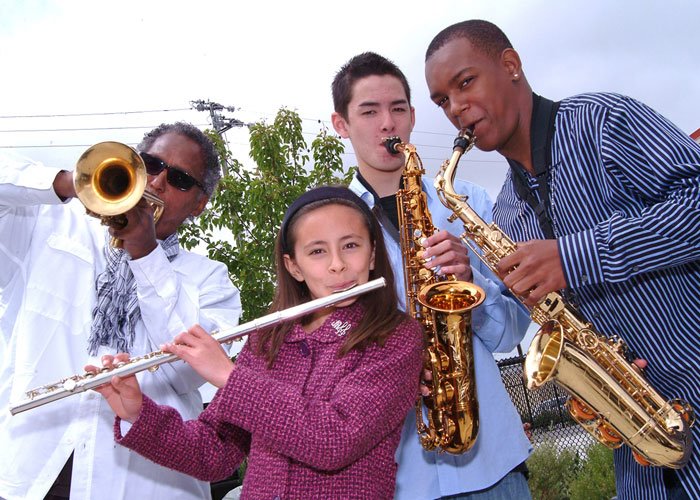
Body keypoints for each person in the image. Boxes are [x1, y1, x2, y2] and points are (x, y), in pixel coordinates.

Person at [424, 19, 700, 500]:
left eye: (464, 82)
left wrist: (574, 257)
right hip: (639, 439)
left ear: (510, 65)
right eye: (442, 101)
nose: (455, 109)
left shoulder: (603, 121)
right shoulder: (506, 210)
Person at [91, 186, 424, 499]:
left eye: (351, 245)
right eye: (317, 251)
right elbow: (213, 454)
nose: (337, 264)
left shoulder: (396, 337)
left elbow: (333, 440)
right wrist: (139, 413)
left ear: (371, 254)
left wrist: (229, 376)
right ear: (294, 266)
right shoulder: (268, 340)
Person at [0, 122, 242, 500]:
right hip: (29, 473)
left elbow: (185, 372)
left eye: (179, 178)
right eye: (151, 164)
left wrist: (146, 253)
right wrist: (73, 183)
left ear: (199, 204)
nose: (158, 182)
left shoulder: (211, 281)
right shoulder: (49, 225)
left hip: (140, 484)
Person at [331, 52, 532, 499]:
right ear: (340, 124)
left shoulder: (468, 200)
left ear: (413, 115)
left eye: (398, 108)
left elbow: (510, 332)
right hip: (398, 478)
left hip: (492, 463)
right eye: (369, 111)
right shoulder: (329, 225)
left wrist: (471, 282)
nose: (389, 124)